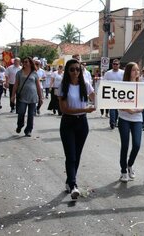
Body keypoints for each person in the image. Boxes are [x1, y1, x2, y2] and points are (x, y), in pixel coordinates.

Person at [58, 59, 96, 200]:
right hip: (68, 123)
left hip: (82, 123)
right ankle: (74, 185)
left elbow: (96, 98)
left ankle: (69, 181)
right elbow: (64, 109)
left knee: (77, 155)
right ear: (68, 71)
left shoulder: (85, 85)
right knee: (71, 155)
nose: (75, 72)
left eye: (78, 69)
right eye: (72, 69)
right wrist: (85, 109)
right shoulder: (63, 86)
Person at [117, 62, 143, 182]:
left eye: (138, 70)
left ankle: (130, 164)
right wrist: (129, 110)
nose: (136, 72)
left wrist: (138, 109)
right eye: (134, 70)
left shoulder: (141, 86)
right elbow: (118, 102)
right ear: (128, 72)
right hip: (124, 118)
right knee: (125, 145)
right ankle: (123, 171)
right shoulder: (123, 85)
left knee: (137, 145)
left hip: (137, 118)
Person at [11, 57, 43, 137]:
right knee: (21, 112)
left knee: (31, 114)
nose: (24, 63)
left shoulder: (34, 73)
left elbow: (38, 86)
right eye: (23, 62)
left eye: (26, 62)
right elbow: (16, 85)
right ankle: (20, 125)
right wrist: (13, 95)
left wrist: (41, 97)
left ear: (30, 63)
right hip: (22, 97)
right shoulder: (19, 73)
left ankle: (28, 130)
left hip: (33, 97)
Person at [103, 59, 124, 129]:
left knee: (117, 109)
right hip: (111, 93)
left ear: (119, 65)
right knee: (112, 108)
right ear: (112, 65)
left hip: (120, 93)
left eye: (116, 64)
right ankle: (112, 123)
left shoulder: (122, 73)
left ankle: (115, 121)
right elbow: (104, 83)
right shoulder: (108, 73)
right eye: (114, 64)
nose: (115, 65)